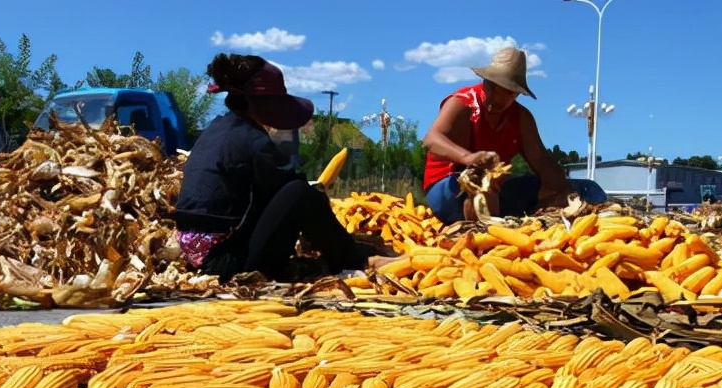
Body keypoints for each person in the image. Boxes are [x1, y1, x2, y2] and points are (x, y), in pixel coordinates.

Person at [173, 53, 386, 281]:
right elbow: (292, 189)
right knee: (302, 193)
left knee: (293, 191)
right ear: (262, 103)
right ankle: (354, 260)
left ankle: (346, 254)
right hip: (227, 263)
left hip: (197, 255)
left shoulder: (217, 129)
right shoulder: (252, 140)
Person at [421, 47, 607, 225]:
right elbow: (431, 139)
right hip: (448, 187)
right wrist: (469, 158)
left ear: (517, 93)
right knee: (483, 182)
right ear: (486, 81)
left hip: (498, 189)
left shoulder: (521, 119)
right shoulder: (463, 103)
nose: (498, 95)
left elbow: (542, 162)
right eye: (493, 85)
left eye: (508, 91)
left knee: (585, 189)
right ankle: (482, 238)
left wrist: (568, 192)